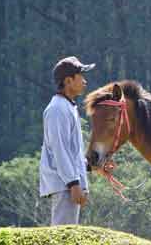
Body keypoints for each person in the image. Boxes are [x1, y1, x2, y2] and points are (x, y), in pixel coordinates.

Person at [39, 56, 110, 225]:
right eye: (80, 76)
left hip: (68, 183)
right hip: (64, 185)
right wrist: (73, 184)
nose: (85, 81)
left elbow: (72, 154)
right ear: (69, 81)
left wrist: (92, 166)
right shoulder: (57, 109)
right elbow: (60, 151)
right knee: (62, 237)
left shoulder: (67, 107)